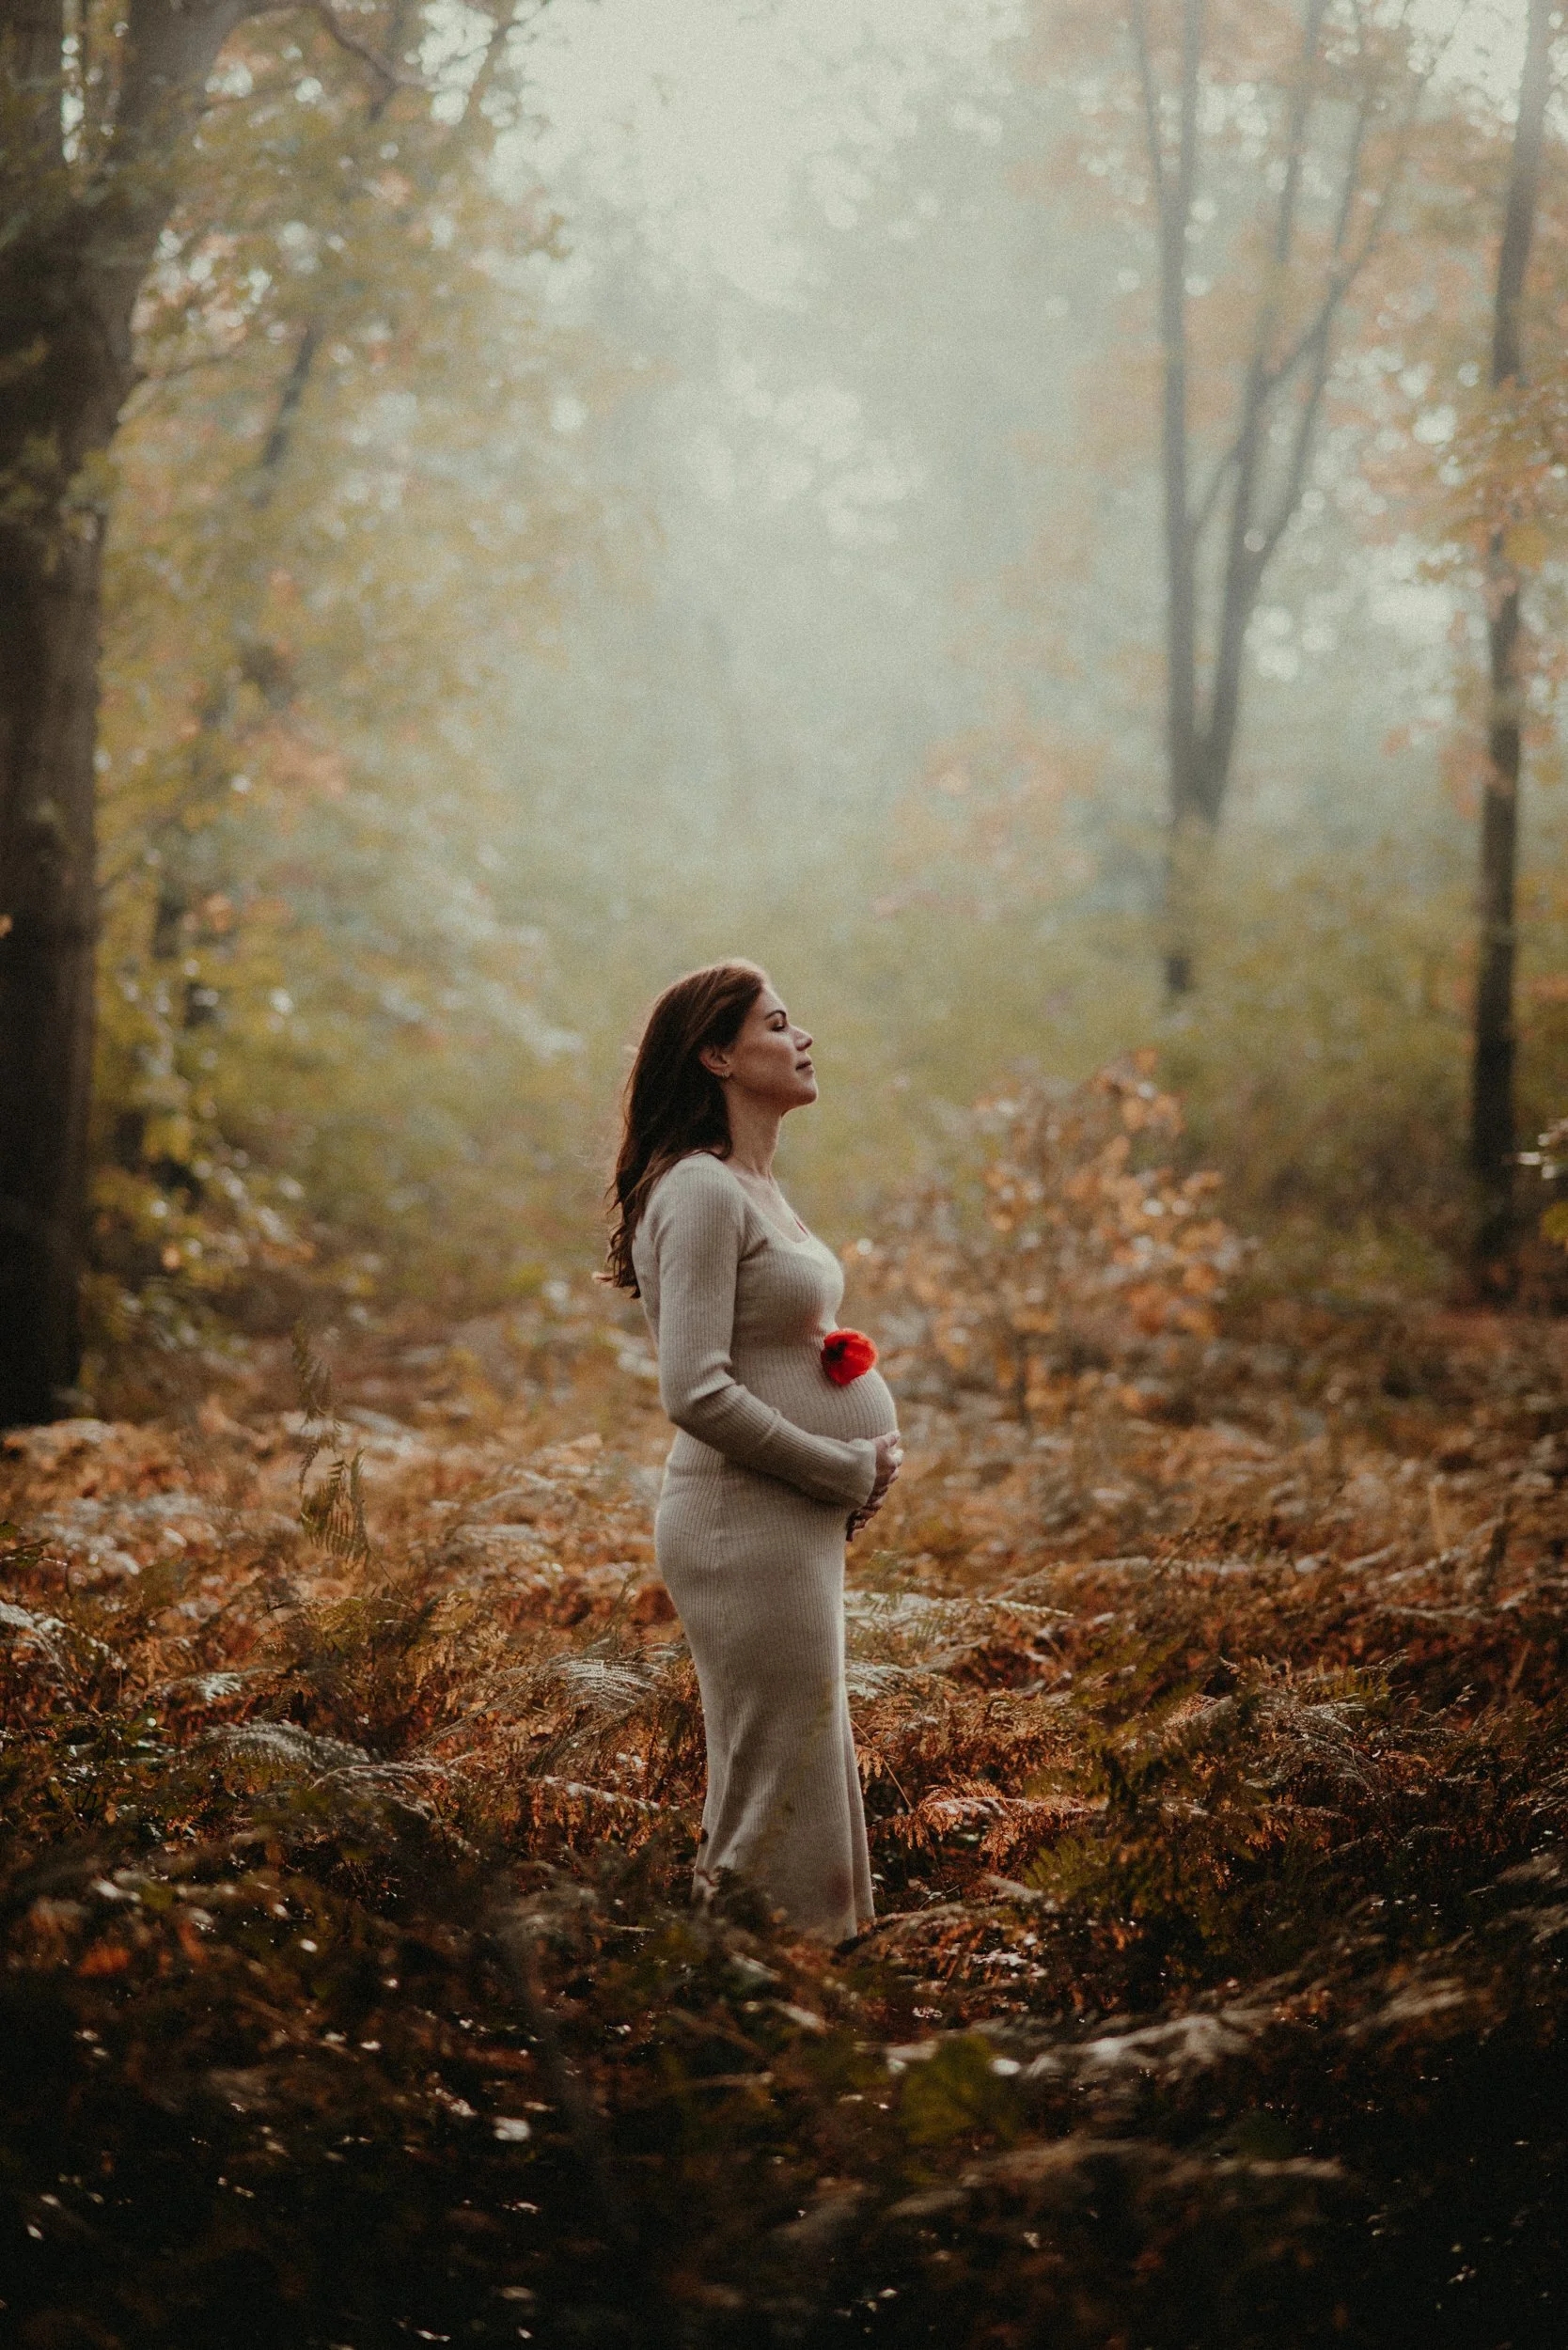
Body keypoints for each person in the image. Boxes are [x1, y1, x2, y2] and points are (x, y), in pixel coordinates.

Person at [604, 960, 902, 1943]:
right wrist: (839, 1467)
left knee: (798, 1765)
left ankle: (798, 1992)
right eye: (779, 1022)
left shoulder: (752, 1183)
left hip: (787, 1521)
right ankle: (749, 1997)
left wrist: (853, 1437)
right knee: (778, 1775)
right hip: (742, 1523)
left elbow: (785, 1346)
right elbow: (694, 1387)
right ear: (718, 1053)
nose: (802, 1037)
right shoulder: (697, 1188)